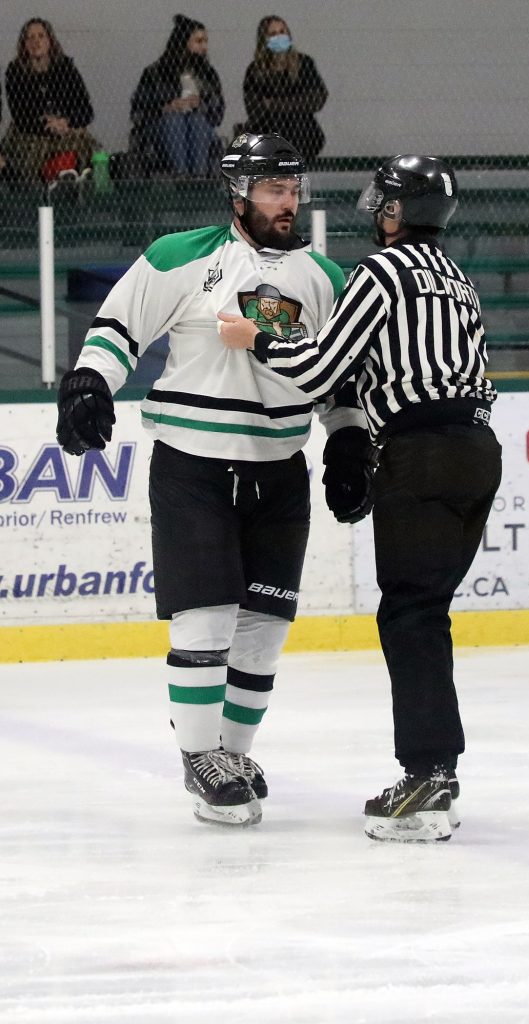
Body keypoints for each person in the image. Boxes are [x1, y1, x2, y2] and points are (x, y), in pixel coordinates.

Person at [55, 132, 371, 828]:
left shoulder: (324, 278)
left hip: (279, 471)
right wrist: (89, 384)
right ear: (238, 193)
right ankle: (200, 760)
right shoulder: (180, 255)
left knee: (263, 626)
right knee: (206, 617)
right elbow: (117, 328)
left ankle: (230, 752)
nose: (287, 203)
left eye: (293, 190)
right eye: (273, 189)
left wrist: (347, 437)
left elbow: (335, 378)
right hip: (192, 464)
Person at [218, 154, 503, 843]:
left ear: (396, 211)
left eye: (384, 202)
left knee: (409, 614)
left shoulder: (381, 272)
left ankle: (430, 777)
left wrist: (255, 337)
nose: (377, 212)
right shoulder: (457, 279)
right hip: (476, 453)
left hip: (421, 454)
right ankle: (436, 769)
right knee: (424, 610)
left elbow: (319, 366)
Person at [2, 18, 97, 183]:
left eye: (41, 36)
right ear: (24, 44)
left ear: (50, 41)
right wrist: (48, 125)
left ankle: (78, 179)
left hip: (66, 129)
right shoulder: (15, 71)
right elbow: (19, 114)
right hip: (31, 132)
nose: (36, 42)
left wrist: (66, 122)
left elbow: (86, 110)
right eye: (30, 37)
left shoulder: (66, 68)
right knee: (29, 153)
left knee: (89, 146)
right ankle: (33, 186)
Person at [130, 14, 225, 178]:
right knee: (174, 120)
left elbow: (218, 115)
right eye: (199, 41)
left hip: (197, 128)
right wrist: (165, 108)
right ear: (183, 42)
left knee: (197, 120)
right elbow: (137, 113)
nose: (204, 47)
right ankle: (181, 175)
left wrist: (201, 104)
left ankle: (199, 177)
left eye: (205, 41)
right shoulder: (154, 73)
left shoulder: (208, 74)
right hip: (163, 130)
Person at [242, 16, 327, 162]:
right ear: (264, 39)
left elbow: (317, 98)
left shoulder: (304, 63)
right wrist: (297, 103)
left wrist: (273, 104)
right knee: (277, 125)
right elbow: (254, 109)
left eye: (282, 32)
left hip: (303, 130)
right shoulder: (255, 70)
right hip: (268, 129)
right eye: (273, 34)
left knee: (295, 122)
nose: (279, 37)